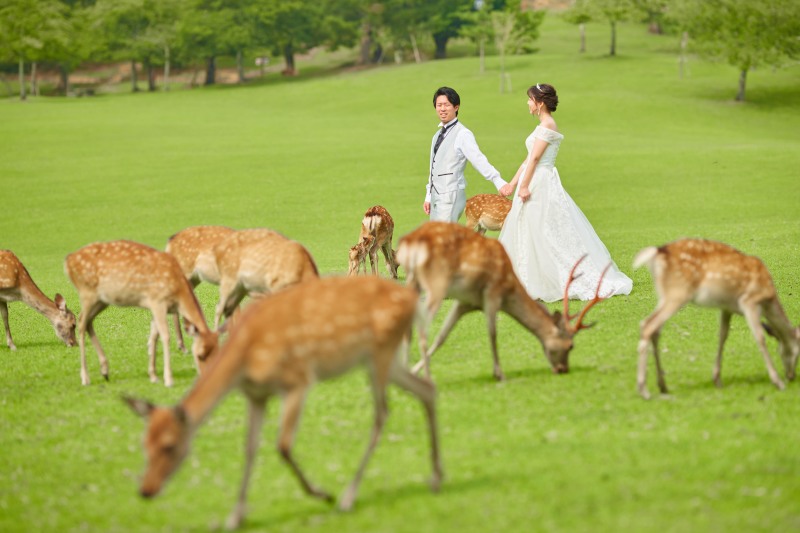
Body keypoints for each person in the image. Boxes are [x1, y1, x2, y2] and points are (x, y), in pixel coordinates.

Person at [498, 83, 632, 301]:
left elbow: (535, 159)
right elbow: (528, 158)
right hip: (532, 178)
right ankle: (529, 279)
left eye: (530, 99)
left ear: (540, 103)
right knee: (528, 228)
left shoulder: (548, 125)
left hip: (540, 181)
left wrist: (523, 186)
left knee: (545, 230)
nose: (528, 103)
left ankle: (555, 278)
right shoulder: (541, 126)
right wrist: (513, 183)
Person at [424, 87, 513, 222]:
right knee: (435, 235)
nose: (442, 109)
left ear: (456, 107)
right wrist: (429, 196)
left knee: (443, 234)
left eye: (446, 105)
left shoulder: (463, 134)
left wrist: (497, 180)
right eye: (439, 105)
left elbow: (478, 159)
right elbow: (433, 167)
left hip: (451, 195)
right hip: (437, 196)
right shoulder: (436, 136)